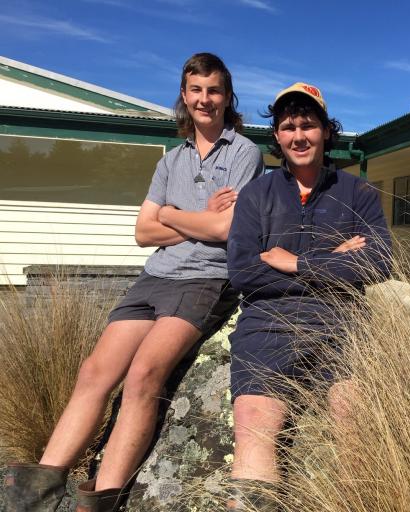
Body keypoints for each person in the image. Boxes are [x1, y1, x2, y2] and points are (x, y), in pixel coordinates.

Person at [4, 52, 263, 512]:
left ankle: (99, 500)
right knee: (94, 373)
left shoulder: (244, 152)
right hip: (154, 278)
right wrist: (194, 217)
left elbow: (226, 231)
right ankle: (34, 496)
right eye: (196, 90)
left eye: (214, 90)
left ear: (227, 97)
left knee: (144, 374)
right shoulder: (170, 162)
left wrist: (169, 215)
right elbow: (143, 233)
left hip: (205, 279)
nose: (205, 100)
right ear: (185, 96)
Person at [226, 82, 392, 510]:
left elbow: (378, 264)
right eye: (287, 126)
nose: (298, 135)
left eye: (308, 124)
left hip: (342, 319)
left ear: (325, 131)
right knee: (254, 425)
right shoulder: (256, 194)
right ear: (277, 137)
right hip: (267, 321)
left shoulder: (359, 193)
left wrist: (296, 262)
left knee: (355, 418)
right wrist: (333, 261)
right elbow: (245, 272)